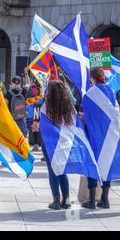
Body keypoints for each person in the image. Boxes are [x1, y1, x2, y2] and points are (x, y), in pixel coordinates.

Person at [81, 67, 120, 210]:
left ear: (92, 78)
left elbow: (87, 117)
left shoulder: (89, 94)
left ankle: (92, 199)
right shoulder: (111, 91)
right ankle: (105, 200)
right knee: (107, 163)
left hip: (95, 135)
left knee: (93, 165)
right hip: (112, 134)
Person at [41, 80, 73, 210]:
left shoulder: (46, 106)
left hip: (49, 142)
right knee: (62, 170)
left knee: (52, 170)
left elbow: (43, 125)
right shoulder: (69, 106)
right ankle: (66, 200)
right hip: (64, 142)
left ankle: (56, 200)